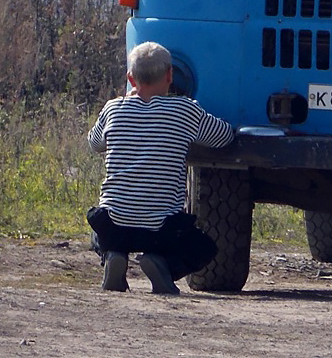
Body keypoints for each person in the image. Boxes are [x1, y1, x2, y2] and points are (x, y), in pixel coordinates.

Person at [86, 41, 235, 294]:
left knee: (101, 218)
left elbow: (94, 143)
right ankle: (162, 265)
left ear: (130, 79)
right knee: (205, 249)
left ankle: (113, 256)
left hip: (114, 224)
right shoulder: (184, 110)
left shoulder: (113, 109)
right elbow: (224, 137)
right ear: (169, 75)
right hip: (162, 228)